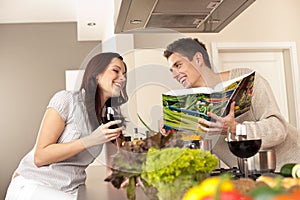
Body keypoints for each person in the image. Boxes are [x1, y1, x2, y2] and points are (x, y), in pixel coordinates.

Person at [5, 52, 128, 200]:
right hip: (36, 184)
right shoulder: (67, 100)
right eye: (116, 70)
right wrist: (90, 140)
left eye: (124, 74)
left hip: (72, 189)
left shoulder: (106, 118)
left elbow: (112, 169)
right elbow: (40, 157)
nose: (123, 78)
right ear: (97, 74)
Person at [162, 37, 300, 169]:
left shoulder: (247, 80)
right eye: (171, 70)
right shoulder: (191, 106)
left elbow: (278, 129)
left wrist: (236, 129)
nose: (175, 75)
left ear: (198, 59)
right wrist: (174, 133)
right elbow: (203, 155)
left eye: (178, 65)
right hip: (249, 177)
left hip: (290, 167)